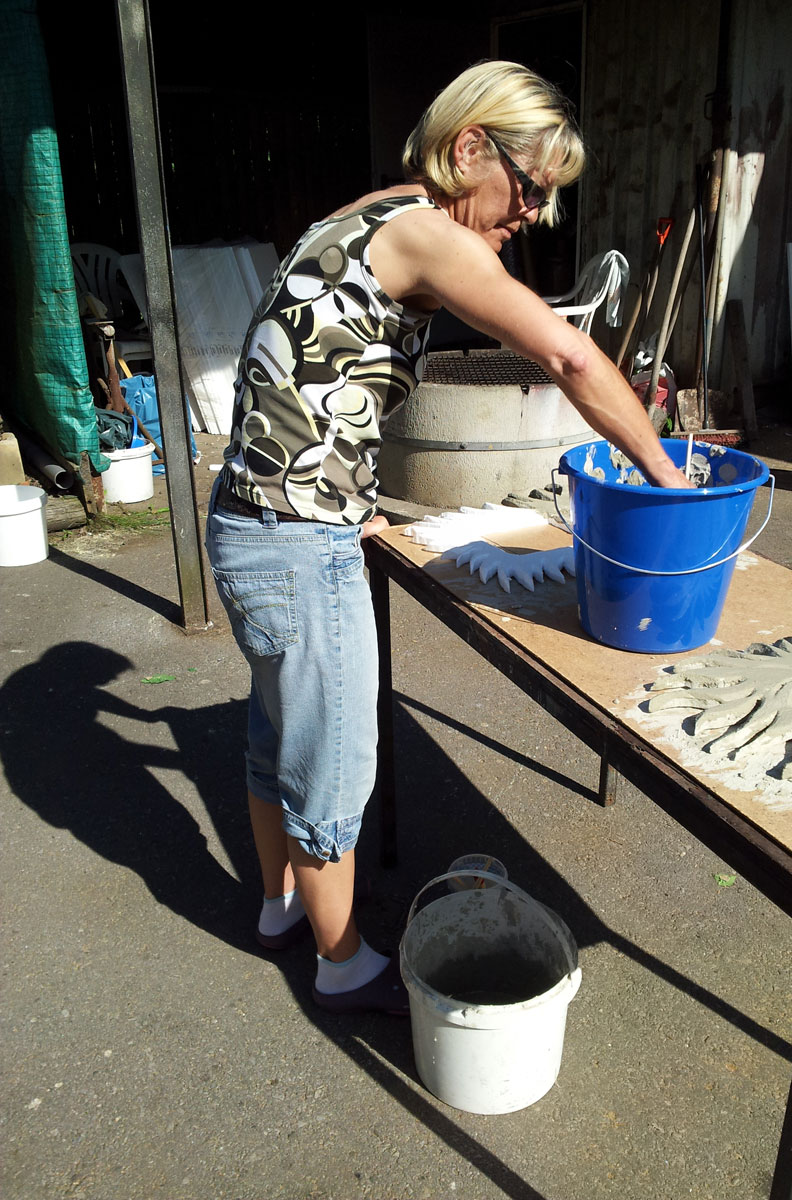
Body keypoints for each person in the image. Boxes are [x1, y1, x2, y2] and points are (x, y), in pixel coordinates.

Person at [205, 60, 689, 1017]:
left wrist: (354, 498)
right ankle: (342, 964)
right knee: (332, 764)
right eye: (532, 188)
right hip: (298, 545)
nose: (533, 216)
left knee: (277, 737)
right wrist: (668, 480)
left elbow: (311, 378)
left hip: (248, 520)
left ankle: (278, 908)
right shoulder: (432, 234)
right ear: (471, 147)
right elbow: (565, 353)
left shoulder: (374, 212)